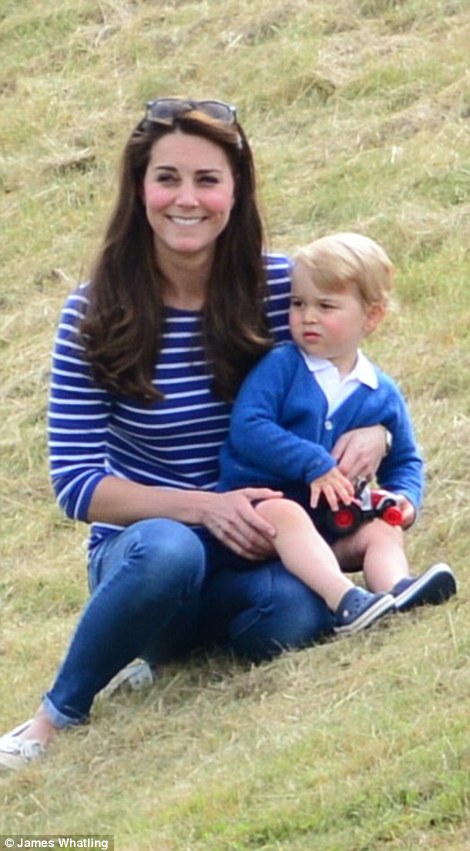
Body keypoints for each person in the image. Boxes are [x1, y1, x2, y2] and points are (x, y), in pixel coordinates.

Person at [0, 99, 390, 772]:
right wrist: (204, 505)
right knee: (171, 552)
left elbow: (351, 371)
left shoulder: (282, 286)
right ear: (139, 188)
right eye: (167, 178)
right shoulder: (91, 313)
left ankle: (159, 649)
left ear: (235, 191)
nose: (188, 199)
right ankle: (51, 718)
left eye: (207, 180)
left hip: (259, 548)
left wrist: (379, 431)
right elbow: (76, 483)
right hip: (149, 545)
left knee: (294, 617)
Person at [217, 232, 457, 634]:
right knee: (288, 513)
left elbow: (406, 459)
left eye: (325, 306)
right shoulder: (282, 366)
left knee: (382, 529)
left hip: (332, 527)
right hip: (264, 511)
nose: (307, 316)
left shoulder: (380, 391)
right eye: (298, 304)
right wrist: (314, 464)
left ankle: (395, 589)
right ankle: (345, 601)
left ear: (372, 316)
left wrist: (404, 500)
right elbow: (248, 427)